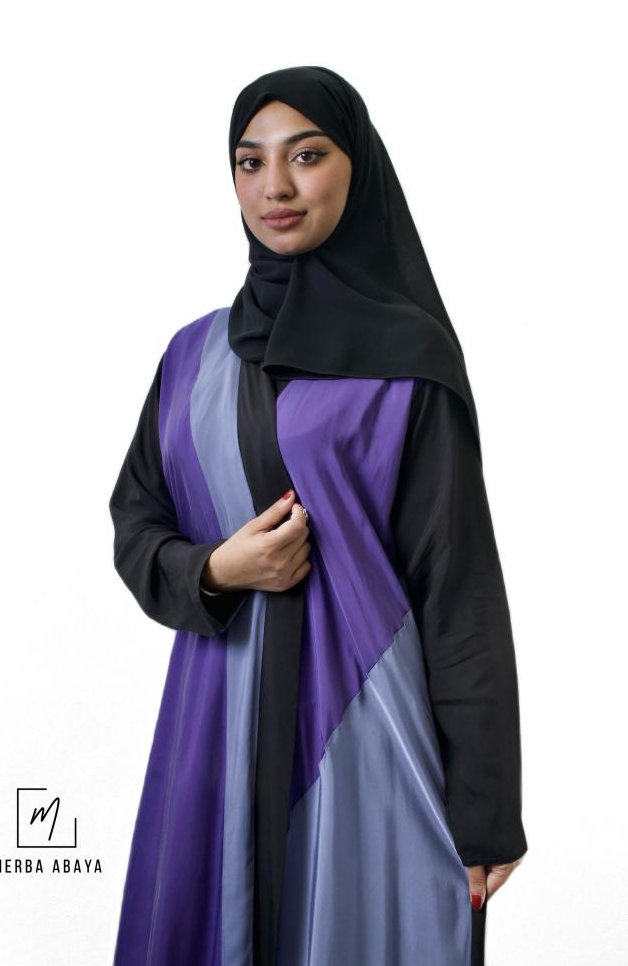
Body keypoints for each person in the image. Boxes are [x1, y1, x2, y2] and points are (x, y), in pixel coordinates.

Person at [109, 65, 527, 966]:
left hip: (365, 729)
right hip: (215, 725)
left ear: (356, 166)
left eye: (306, 156)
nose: (276, 186)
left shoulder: (409, 361)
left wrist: (487, 809)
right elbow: (136, 524)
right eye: (250, 161)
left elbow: (457, 589)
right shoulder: (192, 357)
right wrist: (215, 570)